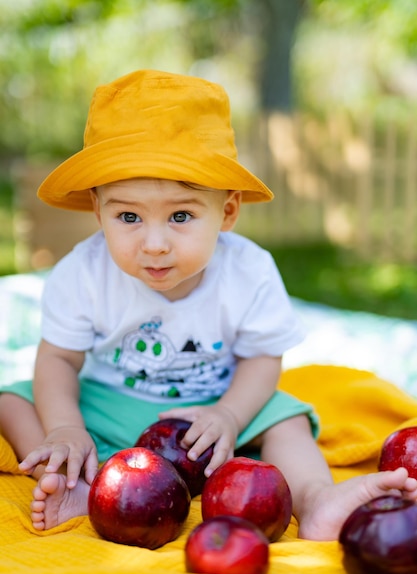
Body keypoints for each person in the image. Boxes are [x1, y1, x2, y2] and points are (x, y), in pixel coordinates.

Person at [0, 69, 415, 541]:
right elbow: (58, 358)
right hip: (109, 405)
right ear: (98, 212)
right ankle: (77, 481)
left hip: (214, 409)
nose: (154, 243)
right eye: (128, 216)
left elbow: (262, 358)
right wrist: (66, 427)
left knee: (288, 417)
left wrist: (231, 416)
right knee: (14, 399)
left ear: (228, 212)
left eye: (181, 215)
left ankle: (316, 498)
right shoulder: (82, 272)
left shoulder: (249, 271)